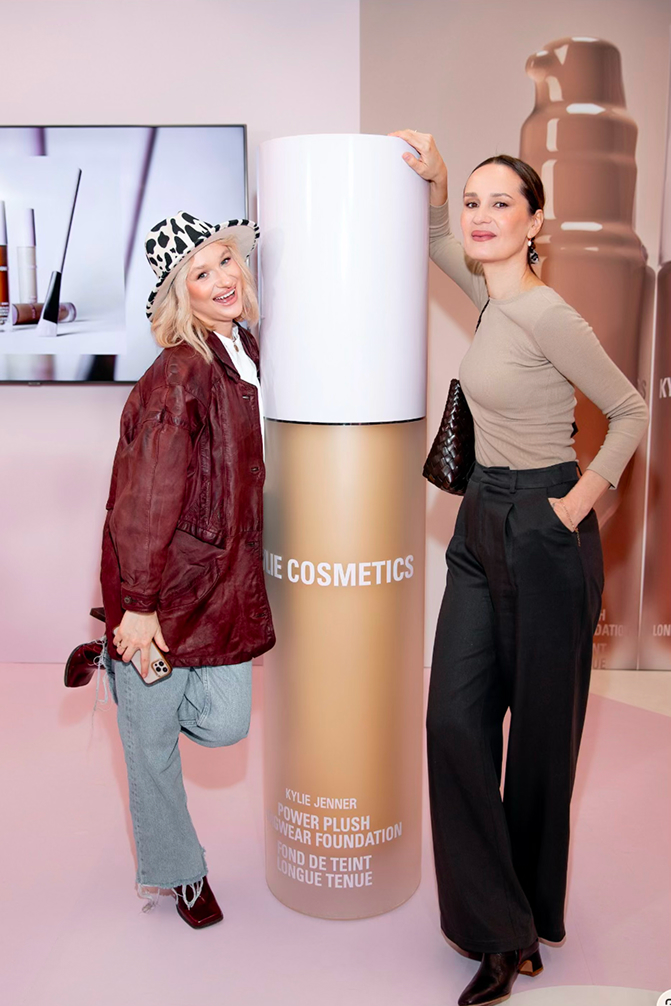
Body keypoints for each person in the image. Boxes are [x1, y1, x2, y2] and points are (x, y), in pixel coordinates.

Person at [394, 131, 648, 1006]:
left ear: (536, 222)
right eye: (474, 201)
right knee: (452, 721)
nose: (480, 216)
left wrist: (573, 509)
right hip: (477, 526)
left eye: (500, 203)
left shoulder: (545, 314)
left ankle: (523, 928)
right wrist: (436, 185)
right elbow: (437, 238)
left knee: (540, 741)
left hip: (544, 526)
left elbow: (628, 411)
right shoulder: (489, 295)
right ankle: (499, 926)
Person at [96, 211, 273, 928]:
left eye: (225, 260)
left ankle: (125, 680)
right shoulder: (179, 375)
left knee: (226, 724)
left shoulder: (246, 349)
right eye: (201, 273)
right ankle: (180, 872)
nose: (223, 278)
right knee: (149, 744)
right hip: (158, 587)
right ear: (181, 294)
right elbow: (145, 499)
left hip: (219, 582)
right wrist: (138, 605)